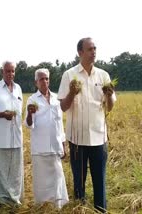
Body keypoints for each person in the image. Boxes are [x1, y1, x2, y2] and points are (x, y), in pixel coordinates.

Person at [57, 38, 116, 212]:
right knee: (79, 181)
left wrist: (110, 95)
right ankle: (80, 209)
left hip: (99, 136)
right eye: (90, 49)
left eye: (95, 48)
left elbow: (109, 107)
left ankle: (100, 210)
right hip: (77, 138)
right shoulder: (69, 75)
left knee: (100, 179)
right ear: (80, 53)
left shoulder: (103, 75)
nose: (94, 52)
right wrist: (72, 94)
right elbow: (63, 106)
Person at [24, 68, 69, 208]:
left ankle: (58, 206)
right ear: (36, 82)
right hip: (40, 147)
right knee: (41, 180)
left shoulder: (56, 98)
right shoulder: (32, 100)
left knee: (57, 177)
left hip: (55, 145)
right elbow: (28, 124)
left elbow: (59, 122)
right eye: (41, 79)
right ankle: (43, 206)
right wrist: (30, 114)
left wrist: (63, 144)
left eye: (46, 79)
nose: (44, 81)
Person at [0, 61, 24, 206]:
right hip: (1, 136)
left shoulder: (18, 88)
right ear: (2, 72)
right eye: (7, 71)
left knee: (15, 169)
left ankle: (15, 198)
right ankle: (1, 200)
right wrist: (2, 114)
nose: (10, 74)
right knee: (1, 169)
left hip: (16, 135)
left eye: (13, 71)